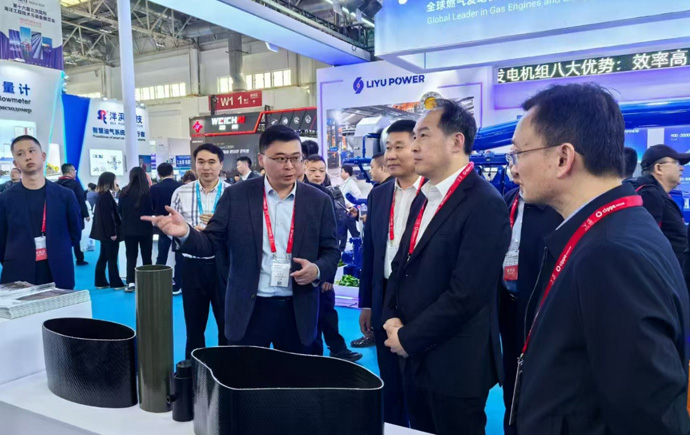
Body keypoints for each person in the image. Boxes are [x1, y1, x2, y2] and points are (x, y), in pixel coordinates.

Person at [509, 83, 690, 434]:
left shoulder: (610, 254)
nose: (514, 168)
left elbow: (649, 418)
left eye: (518, 153)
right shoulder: (614, 227)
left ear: (563, 158)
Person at [145, 125, 340, 355]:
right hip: (250, 308)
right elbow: (211, 242)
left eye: (296, 158)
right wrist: (186, 232)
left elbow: (331, 251)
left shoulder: (318, 201)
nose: (289, 165)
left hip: (298, 309)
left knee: (297, 375)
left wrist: (317, 270)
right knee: (246, 374)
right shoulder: (237, 195)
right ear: (262, 159)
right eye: (280, 158)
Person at [381, 100, 509, 435]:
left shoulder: (484, 203)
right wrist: (390, 314)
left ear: (456, 141)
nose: (414, 146)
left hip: (455, 365)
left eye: (423, 135)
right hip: (412, 356)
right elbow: (400, 264)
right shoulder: (425, 196)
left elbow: (467, 294)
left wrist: (408, 338)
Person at [357, 119, 422, 426]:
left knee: (419, 386)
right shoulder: (379, 195)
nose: (391, 155)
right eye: (388, 148)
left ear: (418, 147)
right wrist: (367, 303)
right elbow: (370, 253)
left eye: (399, 147)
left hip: (420, 298)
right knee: (390, 381)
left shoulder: (434, 195)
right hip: (383, 295)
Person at [498, 183, 562, 435]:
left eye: (520, 162)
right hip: (508, 303)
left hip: (539, 309)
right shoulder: (509, 199)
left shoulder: (554, 205)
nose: (515, 168)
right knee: (511, 373)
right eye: (512, 162)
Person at [296, 148, 362, 363]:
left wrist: (327, 273)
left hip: (324, 265)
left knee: (326, 310)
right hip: (298, 267)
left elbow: (336, 234)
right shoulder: (295, 195)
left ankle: (336, 348)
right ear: (304, 168)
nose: (317, 174)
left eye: (321, 170)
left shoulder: (331, 194)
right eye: (313, 170)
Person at [166, 144, 230, 358]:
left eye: (212, 162)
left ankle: (226, 371)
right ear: (195, 164)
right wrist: (190, 234)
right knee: (194, 328)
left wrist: (217, 227)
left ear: (221, 164)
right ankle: (194, 372)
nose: (206, 167)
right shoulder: (181, 192)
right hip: (192, 265)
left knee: (227, 326)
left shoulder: (233, 193)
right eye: (201, 162)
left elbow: (243, 232)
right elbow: (172, 229)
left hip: (224, 266)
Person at [0, 136, 82, 289]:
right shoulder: (5, 200)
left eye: (32, 151)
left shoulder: (65, 195)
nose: (28, 157)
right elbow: (1, 240)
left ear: (43, 156)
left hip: (58, 269)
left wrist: (58, 248)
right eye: (20, 154)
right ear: (16, 163)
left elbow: (75, 232)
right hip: (18, 271)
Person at [629, 144, 688, 267]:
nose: (681, 168)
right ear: (658, 168)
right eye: (675, 163)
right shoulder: (649, 195)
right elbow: (645, 245)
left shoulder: (656, 194)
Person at [118, 167, 154, 292]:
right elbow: (152, 210)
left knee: (131, 256)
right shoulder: (148, 192)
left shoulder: (124, 192)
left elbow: (120, 210)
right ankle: (148, 281)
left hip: (129, 230)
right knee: (147, 256)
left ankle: (131, 282)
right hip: (145, 229)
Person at [150, 162, 183, 294]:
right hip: (179, 224)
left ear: (158, 174)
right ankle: (178, 284)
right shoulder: (181, 186)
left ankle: (157, 282)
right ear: (172, 172)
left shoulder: (154, 188)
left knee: (161, 254)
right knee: (180, 255)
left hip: (162, 225)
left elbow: (151, 206)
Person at [91, 172, 126, 290]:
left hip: (103, 233)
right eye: (115, 179)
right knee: (112, 258)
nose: (117, 181)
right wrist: (112, 233)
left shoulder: (102, 195)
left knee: (104, 256)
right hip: (109, 233)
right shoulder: (106, 197)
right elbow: (108, 217)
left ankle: (100, 281)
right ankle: (115, 282)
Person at [57, 163, 90, 266]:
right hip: (74, 215)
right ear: (71, 171)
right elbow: (81, 200)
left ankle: (62, 260)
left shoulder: (55, 184)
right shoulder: (75, 184)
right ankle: (79, 259)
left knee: (62, 238)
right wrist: (86, 214)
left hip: (60, 216)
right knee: (76, 237)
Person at [338, 165, 362, 250]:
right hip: (344, 211)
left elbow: (358, 194)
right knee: (343, 231)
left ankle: (360, 248)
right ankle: (341, 249)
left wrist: (351, 205)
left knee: (353, 232)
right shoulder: (345, 183)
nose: (340, 173)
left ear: (347, 173)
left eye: (342, 171)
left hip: (350, 211)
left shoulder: (351, 183)